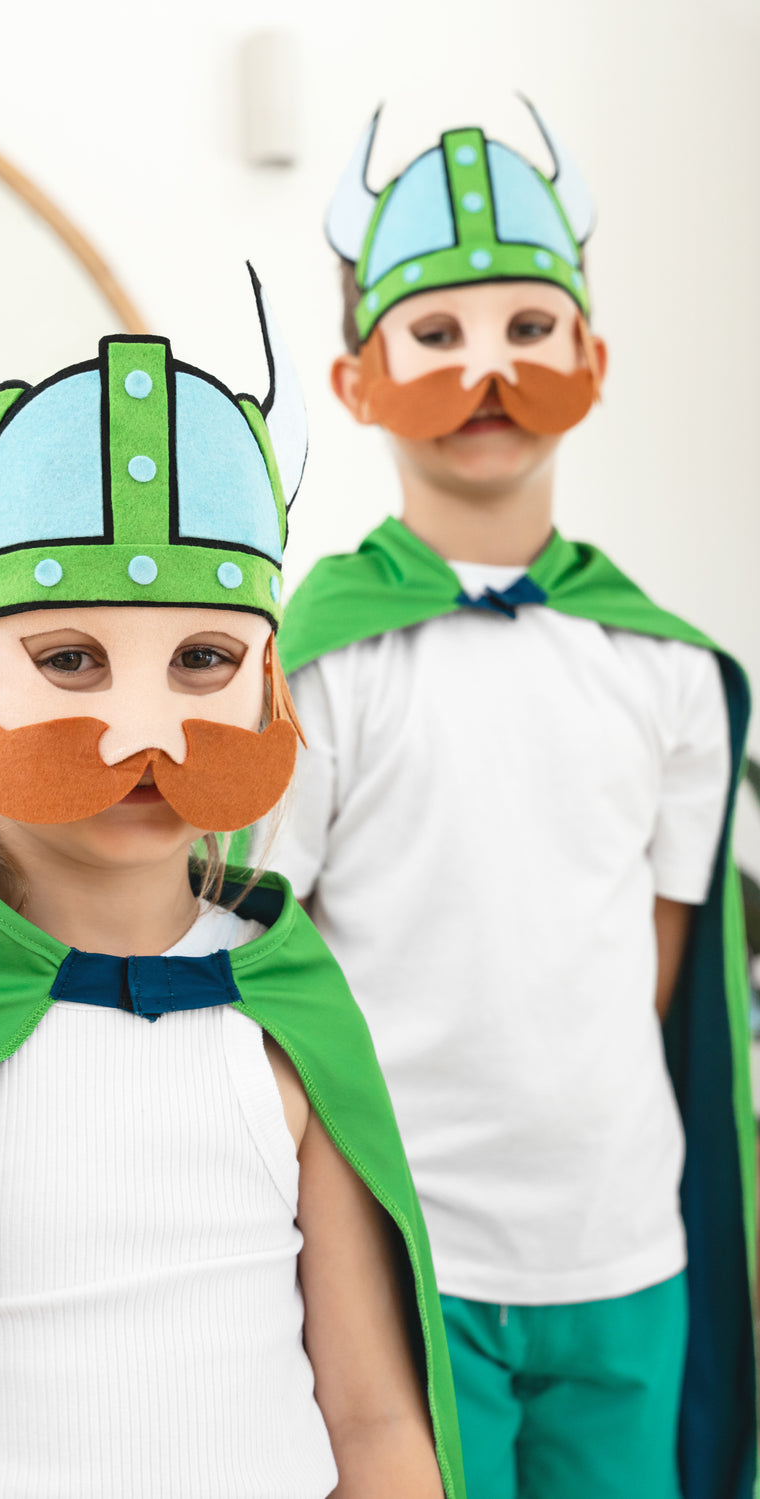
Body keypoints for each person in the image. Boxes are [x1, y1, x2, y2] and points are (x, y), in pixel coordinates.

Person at [0, 259, 466, 1499]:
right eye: (71, 658)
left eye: (201, 657)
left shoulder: (290, 1010)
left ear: (268, 690)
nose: (149, 728)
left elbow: (373, 1420)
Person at [269, 99, 756, 1499]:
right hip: (412, 1248)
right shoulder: (328, 664)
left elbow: (663, 961)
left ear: (592, 362)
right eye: (436, 334)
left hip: (624, 1244)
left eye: (530, 329)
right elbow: (274, 952)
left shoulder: (664, 670)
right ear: (358, 380)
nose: (487, 368)